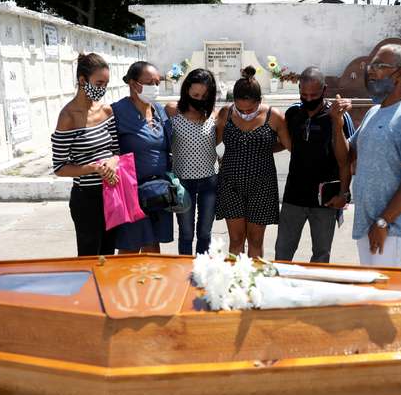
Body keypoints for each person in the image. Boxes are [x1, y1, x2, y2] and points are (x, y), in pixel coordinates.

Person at [333, 44, 401, 268]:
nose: (371, 71)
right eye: (371, 65)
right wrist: (337, 124)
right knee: (372, 292)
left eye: (379, 65)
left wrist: (383, 221)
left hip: (391, 229)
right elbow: (347, 156)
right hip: (367, 222)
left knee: (389, 295)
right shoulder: (374, 112)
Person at [274, 67, 355, 263]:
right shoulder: (293, 113)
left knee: (321, 255)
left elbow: (346, 161)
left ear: (325, 90)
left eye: (314, 95)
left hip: (325, 201)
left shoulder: (339, 115)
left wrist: (344, 194)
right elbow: (283, 144)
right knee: (282, 254)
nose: (309, 99)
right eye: (304, 94)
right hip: (294, 197)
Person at [215, 66, 292, 258]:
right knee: (236, 239)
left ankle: (254, 284)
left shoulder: (274, 117)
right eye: (240, 109)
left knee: (256, 240)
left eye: (250, 109)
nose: (245, 112)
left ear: (260, 101)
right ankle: (233, 284)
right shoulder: (226, 114)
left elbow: (289, 145)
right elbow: (210, 142)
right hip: (230, 184)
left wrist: (264, 148)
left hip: (262, 186)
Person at [52, 52, 120, 256]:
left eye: (106, 84)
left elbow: (117, 151)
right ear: (83, 80)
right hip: (87, 200)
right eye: (99, 83)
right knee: (90, 258)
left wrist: (113, 162)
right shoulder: (67, 117)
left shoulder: (107, 111)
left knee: (109, 255)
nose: (102, 89)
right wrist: (92, 168)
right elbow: (59, 167)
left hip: (112, 192)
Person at [112, 61, 173, 254]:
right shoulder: (118, 111)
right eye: (149, 82)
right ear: (133, 83)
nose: (154, 87)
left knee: (153, 248)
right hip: (132, 193)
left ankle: (151, 285)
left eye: (157, 82)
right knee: (129, 250)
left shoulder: (159, 110)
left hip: (159, 192)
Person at [165, 69, 219, 255]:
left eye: (204, 95)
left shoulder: (213, 115)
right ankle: (184, 273)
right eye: (195, 94)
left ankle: (202, 273)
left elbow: (215, 142)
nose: (199, 98)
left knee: (205, 232)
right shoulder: (172, 111)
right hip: (182, 184)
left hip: (209, 182)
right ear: (186, 89)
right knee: (186, 233)